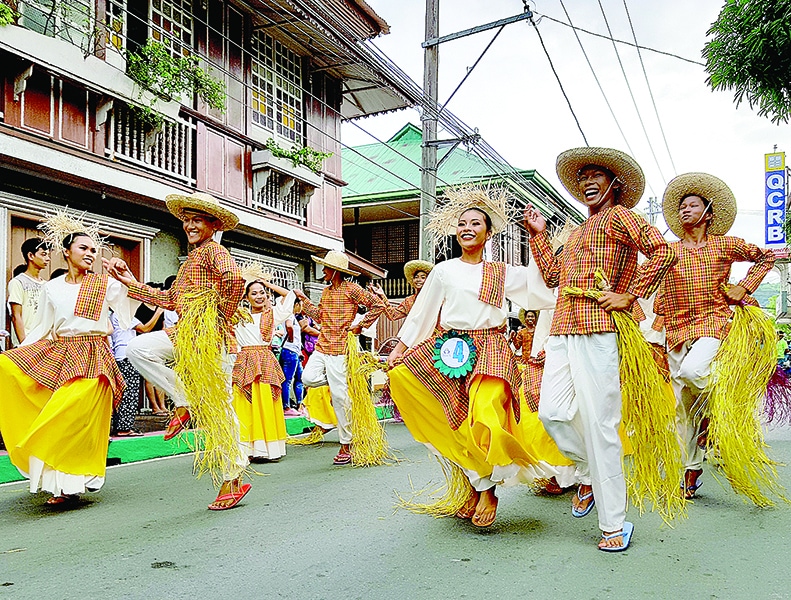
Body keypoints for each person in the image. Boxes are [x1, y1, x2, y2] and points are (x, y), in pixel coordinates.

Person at [525, 147, 676, 551]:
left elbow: (665, 250)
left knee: (600, 423)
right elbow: (554, 275)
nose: (588, 183)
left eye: (596, 176)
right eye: (583, 178)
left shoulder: (623, 217)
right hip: (562, 327)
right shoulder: (574, 233)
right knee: (552, 413)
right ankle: (588, 472)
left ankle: (614, 523)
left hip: (601, 327)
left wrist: (630, 295)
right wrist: (539, 235)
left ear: (615, 184)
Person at [387, 186, 557, 527]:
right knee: (454, 417)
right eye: (462, 223)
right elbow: (423, 312)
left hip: (492, 348)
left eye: (476, 223)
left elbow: (543, 287)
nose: (467, 228)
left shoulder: (502, 271)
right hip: (448, 350)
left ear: (488, 232)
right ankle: (480, 480)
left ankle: (489, 489)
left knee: (487, 414)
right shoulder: (443, 271)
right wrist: (401, 348)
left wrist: (538, 236)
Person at [104, 191, 249, 511]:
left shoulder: (214, 251)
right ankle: (184, 397)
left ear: (213, 224)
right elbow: (170, 299)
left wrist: (218, 315)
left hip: (213, 341)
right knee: (138, 348)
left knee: (219, 411)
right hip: (184, 334)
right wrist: (129, 281)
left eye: (197, 220)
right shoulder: (192, 260)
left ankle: (233, 477)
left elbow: (234, 280)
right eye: (186, 220)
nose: (190, 225)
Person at [0, 215, 138, 504]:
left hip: (96, 357)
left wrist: (127, 276)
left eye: (93, 250)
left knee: (75, 418)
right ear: (67, 252)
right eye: (83, 248)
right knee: (62, 416)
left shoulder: (105, 284)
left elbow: (132, 307)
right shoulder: (52, 288)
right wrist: (19, 354)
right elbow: (43, 328)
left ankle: (73, 482)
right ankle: (64, 486)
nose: (90, 254)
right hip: (65, 355)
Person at [654, 172, 775, 499]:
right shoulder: (669, 251)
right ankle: (690, 471)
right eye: (681, 207)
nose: (685, 210)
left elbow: (766, 256)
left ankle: (726, 405)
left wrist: (744, 287)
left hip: (713, 322)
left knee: (694, 372)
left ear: (707, 214)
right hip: (677, 331)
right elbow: (659, 289)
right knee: (684, 409)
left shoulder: (725, 244)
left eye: (692, 205)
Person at [296, 250, 385, 466]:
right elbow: (319, 316)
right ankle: (341, 382)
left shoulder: (352, 289)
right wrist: (303, 300)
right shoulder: (326, 292)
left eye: (326, 268)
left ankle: (347, 444)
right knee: (308, 378)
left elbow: (378, 305)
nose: (323, 271)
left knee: (340, 398)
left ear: (335, 271)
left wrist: (359, 326)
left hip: (341, 348)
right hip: (323, 346)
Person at [232, 272, 295, 462]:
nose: (259, 296)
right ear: (245, 297)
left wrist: (266, 283)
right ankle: (247, 449)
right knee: (244, 405)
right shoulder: (238, 316)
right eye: (254, 293)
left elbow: (290, 295)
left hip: (265, 363)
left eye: (262, 293)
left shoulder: (272, 314)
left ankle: (269, 449)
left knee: (266, 402)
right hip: (244, 363)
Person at [7, 237, 50, 346]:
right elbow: (16, 315)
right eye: (43, 254)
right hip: (26, 343)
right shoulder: (18, 282)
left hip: (44, 343)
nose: (48, 258)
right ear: (31, 255)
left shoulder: (46, 285)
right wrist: (24, 344)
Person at [134, 288, 168, 416]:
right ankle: (154, 407)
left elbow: (163, 327)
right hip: (144, 344)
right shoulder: (140, 309)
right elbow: (144, 329)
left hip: (158, 345)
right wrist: (157, 313)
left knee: (161, 375)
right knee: (149, 376)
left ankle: (162, 406)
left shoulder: (160, 309)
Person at [109, 310, 144, 437]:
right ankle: (124, 428)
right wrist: (158, 312)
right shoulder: (123, 314)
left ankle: (120, 426)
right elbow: (145, 328)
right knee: (130, 392)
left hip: (119, 355)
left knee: (123, 392)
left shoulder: (113, 315)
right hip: (127, 355)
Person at [280, 299, 305, 416]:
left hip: (294, 351)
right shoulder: (289, 315)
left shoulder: (292, 316)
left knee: (300, 378)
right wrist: (291, 339)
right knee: (287, 380)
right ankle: (286, 407)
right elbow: (288, 326)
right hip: (289, 351)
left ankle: (300, 405)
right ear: (296, 304)